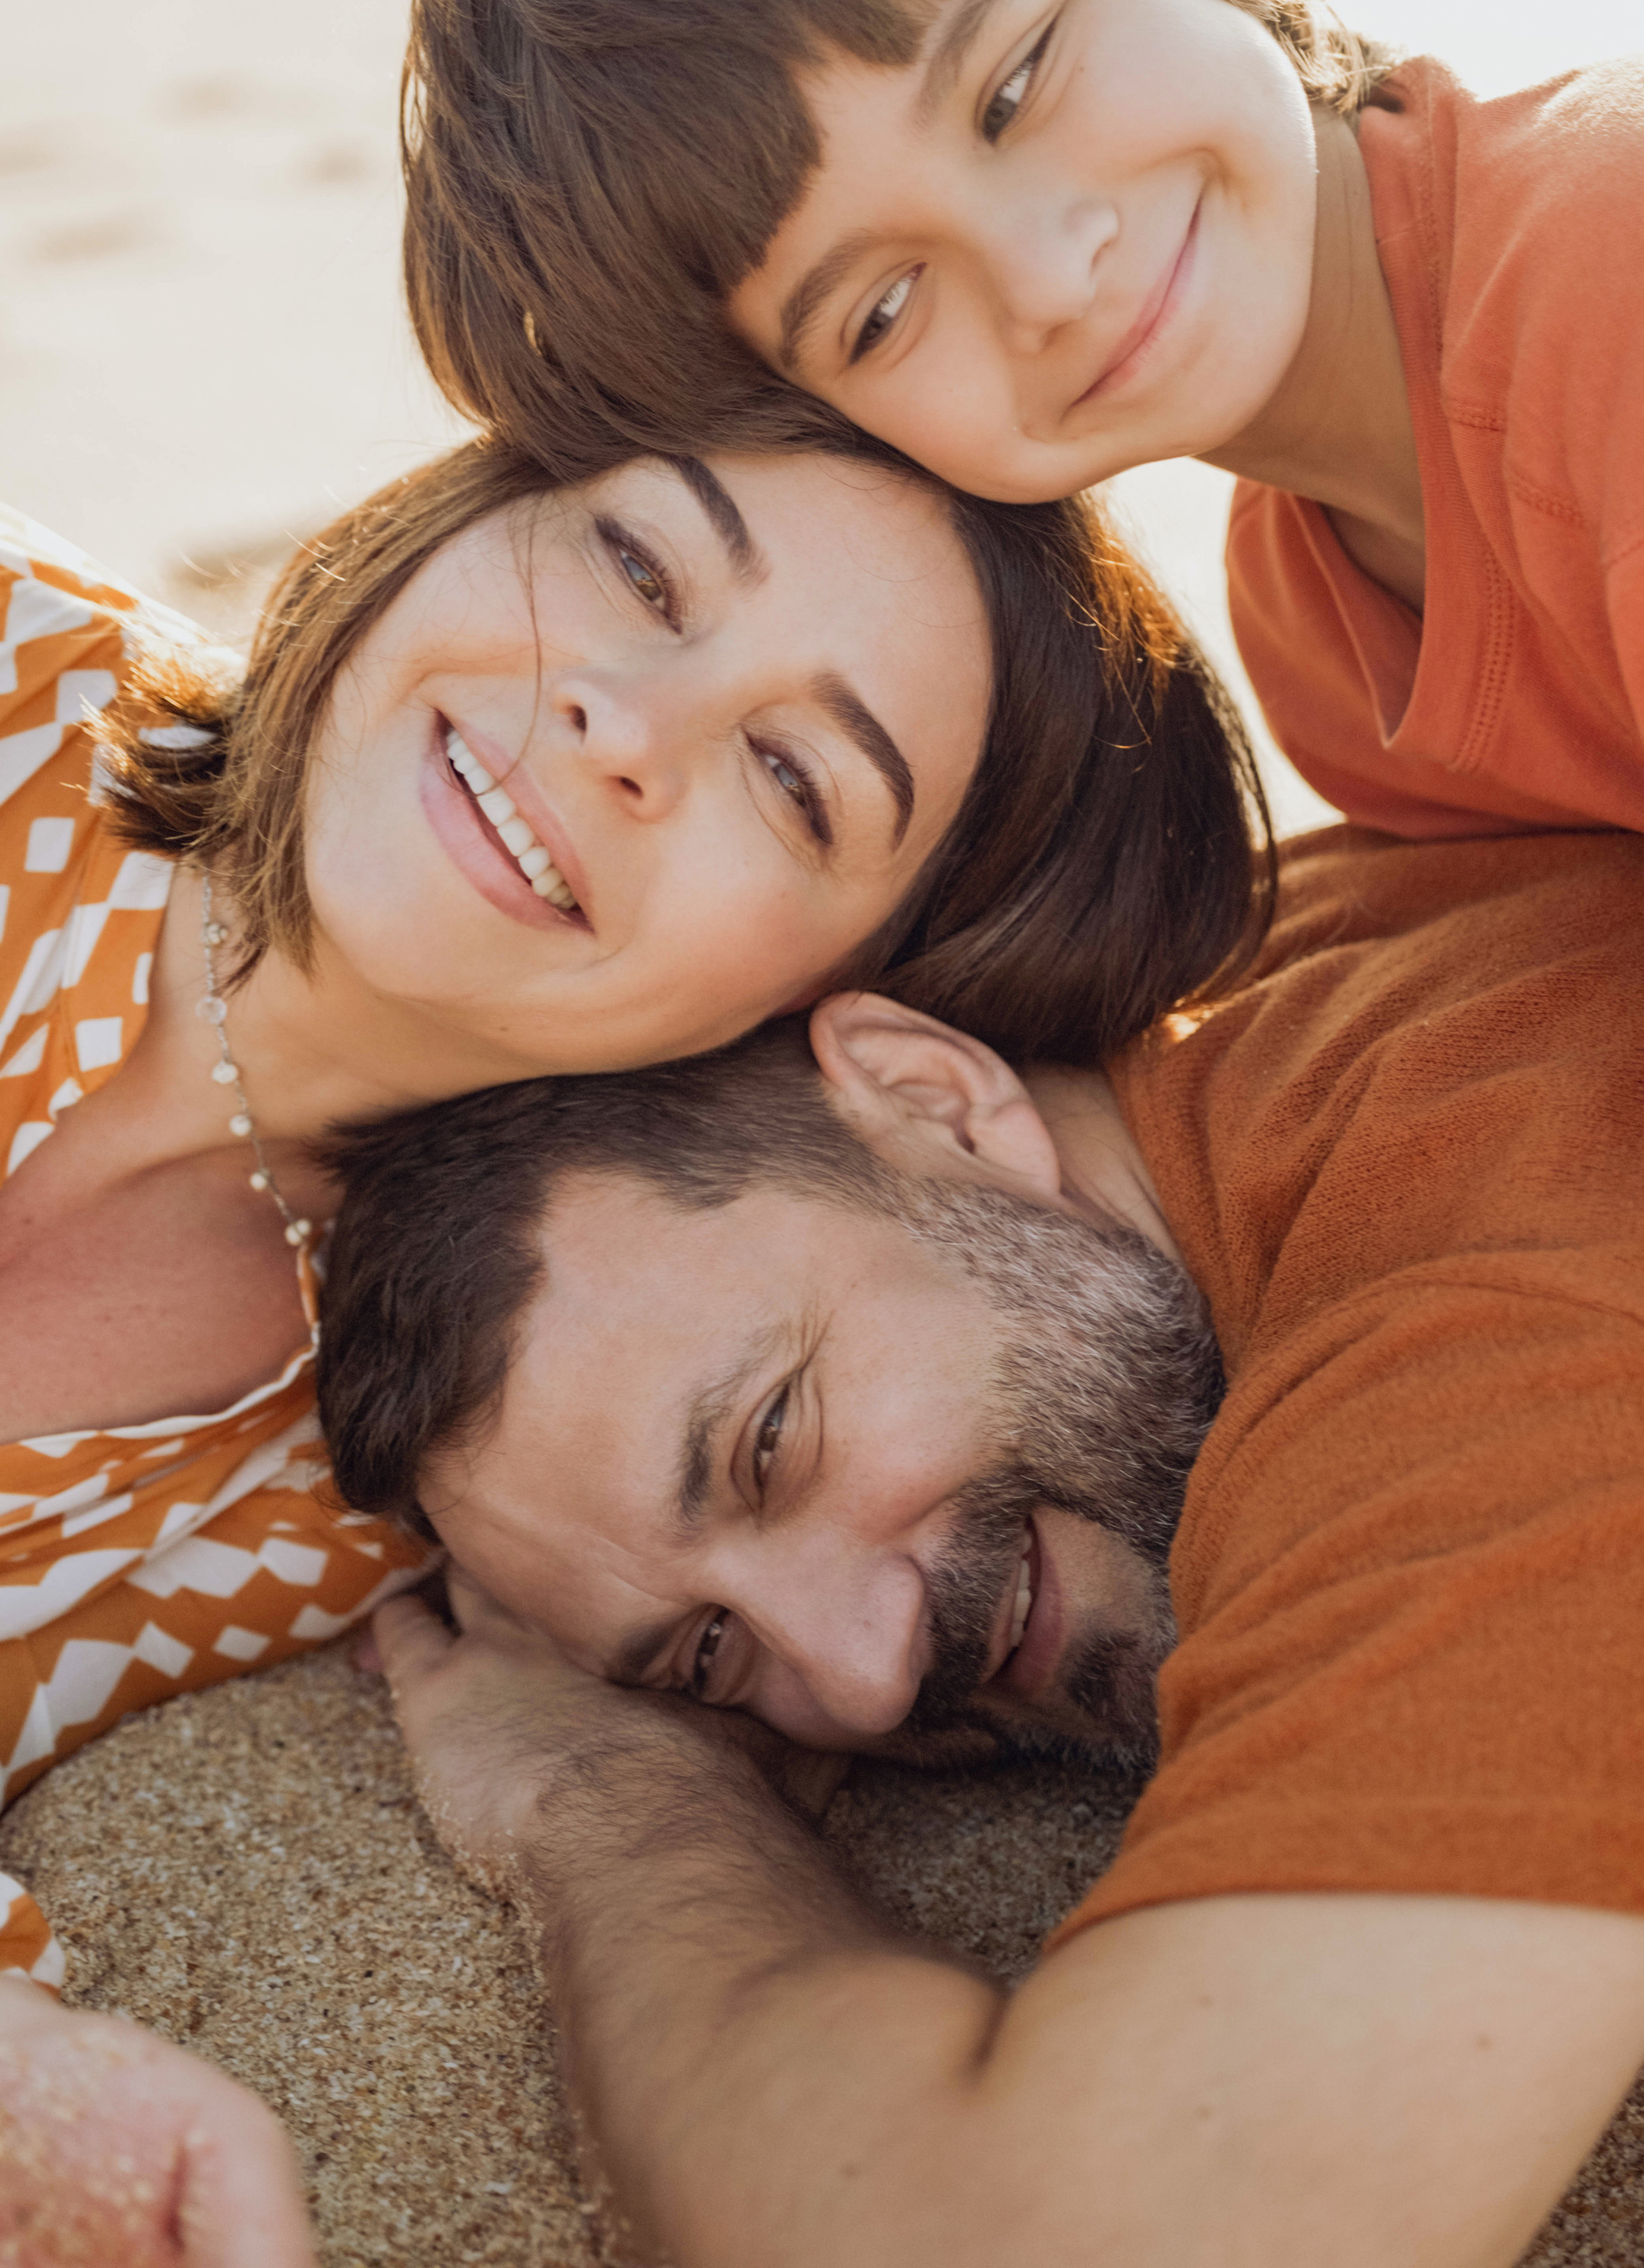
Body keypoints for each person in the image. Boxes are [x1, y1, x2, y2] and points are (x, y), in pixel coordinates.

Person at [0, 432, 1263, 2254]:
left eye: (795, 783)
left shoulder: (400, 1482)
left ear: (838, 989)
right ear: (455, 508)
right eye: (640, 570)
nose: (621, 725)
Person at [320, 820, 1644, 2267]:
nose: (862, 1678)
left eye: (770, 1445)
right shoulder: (1268, 977)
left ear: (930, 1098)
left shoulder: (1498, 1324)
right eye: (710, 1657)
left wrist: (604, 1797)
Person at [400, 0, 1644, 842]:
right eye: (881, 311)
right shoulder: (1310, 634)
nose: (1046, 280)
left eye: (1012, 84)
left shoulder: (1606, 258)